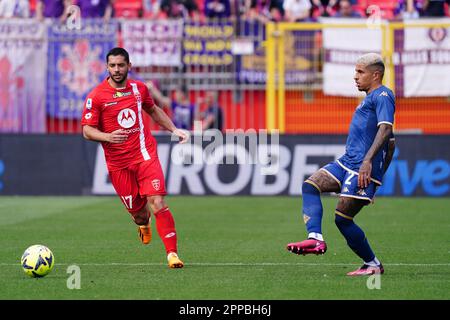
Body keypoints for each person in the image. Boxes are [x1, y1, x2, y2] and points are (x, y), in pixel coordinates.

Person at [287, 53, 396, 276]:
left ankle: (373, 264)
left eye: (360, 72)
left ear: (376, 75)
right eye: (355, 71)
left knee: (343, 219)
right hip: (347, 163)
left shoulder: (383, 94)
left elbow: (386, 130)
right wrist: (378, 178)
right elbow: (391, 143)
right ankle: (315, 238)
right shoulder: (369, 98)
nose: (355, 77)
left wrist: (371, 169)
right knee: (311, 185)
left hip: (361, 167)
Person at [81, 47, 189, 268]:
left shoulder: (139, 89)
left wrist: (173, 129)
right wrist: (108, 137)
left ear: (129, 66)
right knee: (140, 215)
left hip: (145, 155)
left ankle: (172, 254)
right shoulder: (97, 96)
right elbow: (87, 130)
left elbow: (153, 109)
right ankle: (144, 224)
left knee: (157, 201)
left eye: (121, 65)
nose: (117, 69)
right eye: (112, 65)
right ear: (106, 67)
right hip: (119, 164)